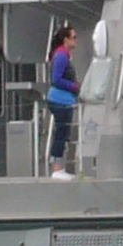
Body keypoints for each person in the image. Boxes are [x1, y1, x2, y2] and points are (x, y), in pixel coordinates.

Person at [45, 25, 82, 179]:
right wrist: (74, 86)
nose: (76, 40)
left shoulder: (63, 55)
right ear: (65, 39)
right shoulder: (61, 56)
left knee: (63, 133)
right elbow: (56, 79)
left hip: (64, 100)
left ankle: (59, 167)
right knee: (61, 133)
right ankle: (57, 168)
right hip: (60, 100)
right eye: (74, 37)